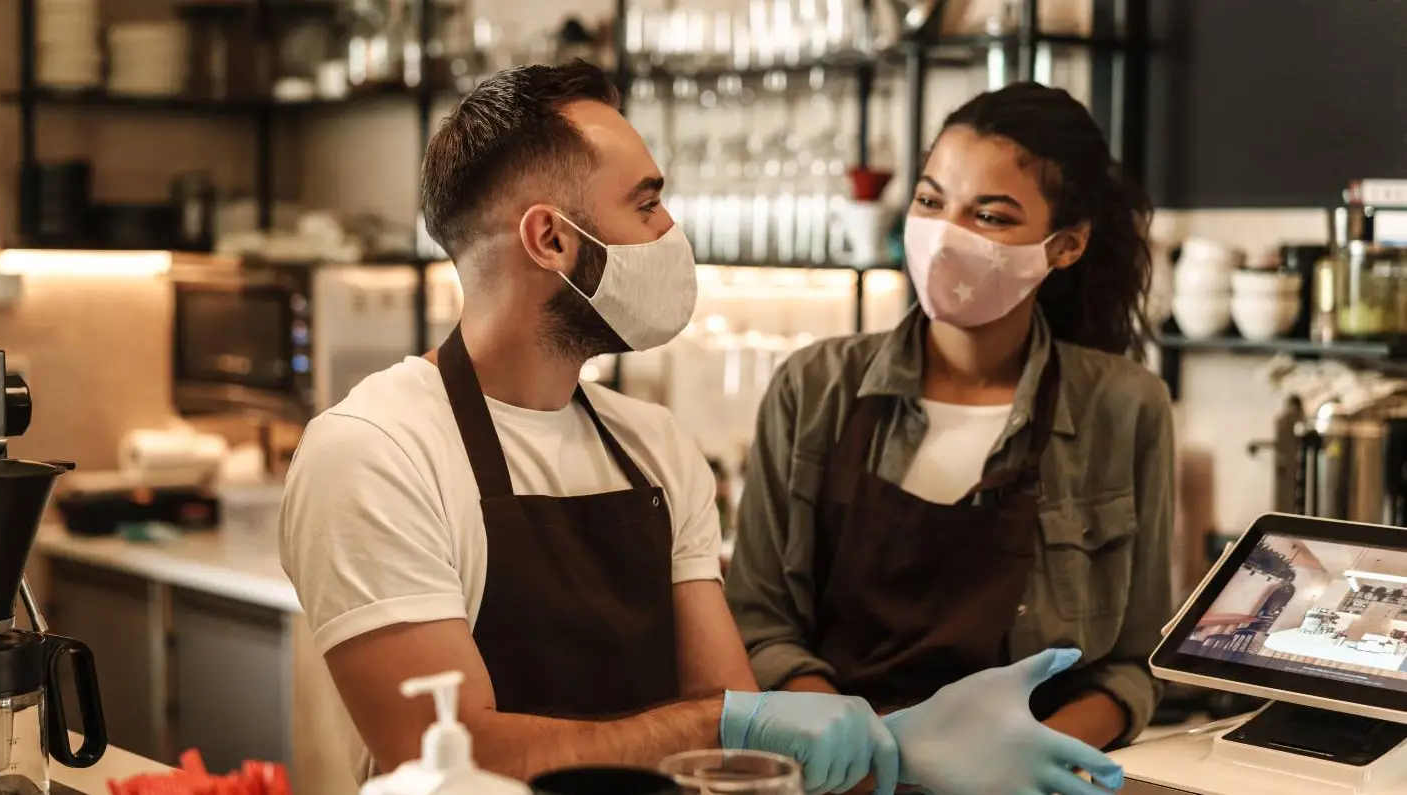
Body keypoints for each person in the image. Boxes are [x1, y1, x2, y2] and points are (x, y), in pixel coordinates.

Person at [280, 62, 1123, 795]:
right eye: (647, 203)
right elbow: (448, 754)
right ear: (551, 239)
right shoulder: (376, 449)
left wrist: (896, 747)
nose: (670, 233)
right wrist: (738, 724)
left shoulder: (652, 444)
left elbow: (746, 741)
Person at [726, 81, 1175, 753]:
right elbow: (760, 626)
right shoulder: (813, 386)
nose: (946, 237)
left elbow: (1136, 664)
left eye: (989, 216)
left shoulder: (1125, 405)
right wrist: (870, 748)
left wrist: (1024, 754)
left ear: (1066, 245)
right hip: (839, 773)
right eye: (931, 201)